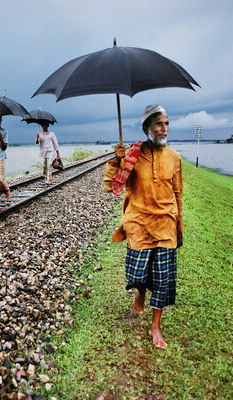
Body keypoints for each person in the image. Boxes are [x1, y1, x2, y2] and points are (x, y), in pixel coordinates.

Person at [103, 105, 183, 349]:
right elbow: (110, 185)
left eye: (167, 124)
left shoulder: (174, 157)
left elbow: (178, 193)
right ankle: (140, 289)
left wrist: (179, 225)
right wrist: (117, 160)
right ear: (147, 127)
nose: (164, 129)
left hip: (166, 225)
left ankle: (155, 326)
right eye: (159, 124)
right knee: (137, 273)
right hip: (138, 223)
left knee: (163, 279)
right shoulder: (132, 156)